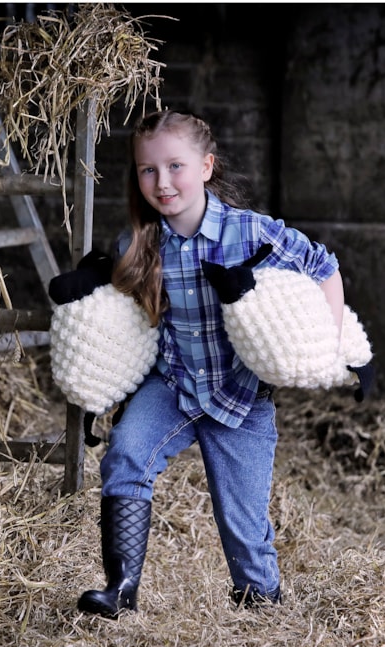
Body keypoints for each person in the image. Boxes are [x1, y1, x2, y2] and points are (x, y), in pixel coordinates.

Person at [76, 109, 345, 619]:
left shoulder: (252, 233)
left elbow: (324, 266)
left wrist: (324, 346)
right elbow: (127, 321)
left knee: (241, 521)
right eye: (147, 170)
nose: (162, 181)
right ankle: (120, 589)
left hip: (240, 394)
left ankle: (260, 604)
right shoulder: (138, 243)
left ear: (205, 166)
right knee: (127, 452)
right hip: (173, 385)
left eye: (175, 166)